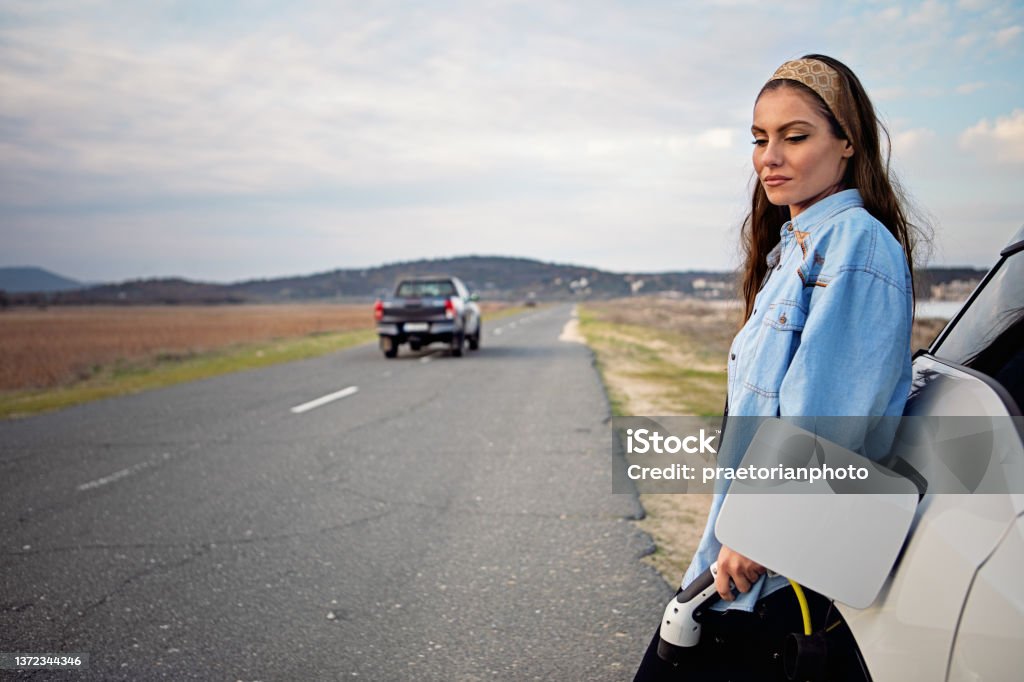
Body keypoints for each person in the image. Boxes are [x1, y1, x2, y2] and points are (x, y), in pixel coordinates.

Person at [634, 54, 925, 680]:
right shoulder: (791, 253)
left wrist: (757, 535)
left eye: (795, 137)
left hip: (768, 571)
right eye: (760, 139)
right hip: (739, 554)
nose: (770, 156)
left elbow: (827, 420)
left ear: (848, 143)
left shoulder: (854, 244)